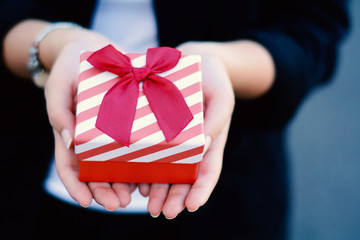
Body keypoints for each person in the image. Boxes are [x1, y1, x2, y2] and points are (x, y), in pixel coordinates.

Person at [0, 0, 349, 239]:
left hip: (227, 196)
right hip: (24, 184)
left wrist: (225, 64)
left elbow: (314, 26)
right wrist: (51, 45)